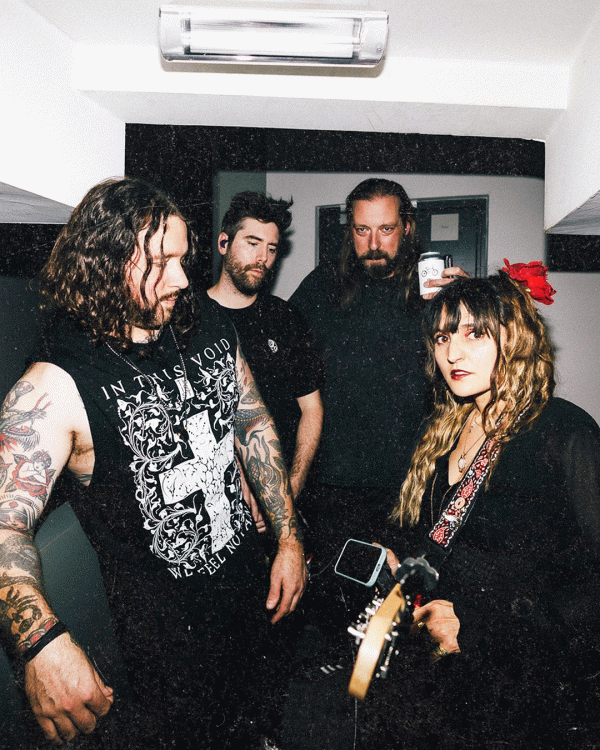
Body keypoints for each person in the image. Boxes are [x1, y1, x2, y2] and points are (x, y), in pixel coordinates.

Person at [0, 177, 305, 749]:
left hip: (249, 590)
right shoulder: (55, 385)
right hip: (165, 650)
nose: (182, 279)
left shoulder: (206, 320)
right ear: (105, 262)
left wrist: (288, 538)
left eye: (182, 259)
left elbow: (252, 421)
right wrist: (41, 643)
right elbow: (3, 524)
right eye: (160, 262)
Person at [363, 266, 600, 749]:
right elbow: (445, 535)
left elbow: (588, 590)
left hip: (517, 686)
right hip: (436, 672)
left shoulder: (563, 432)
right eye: (442, 337)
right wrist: (398, 559)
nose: (453, 353)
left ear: (513, 338)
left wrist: (474, 628)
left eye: (475, 333)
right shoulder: (442, 428)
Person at [288, 178, 466, 670]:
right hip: (336, 478)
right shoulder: (322, 285)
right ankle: (342, 677)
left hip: (411, 478)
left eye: (386, 229)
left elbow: (479, 350)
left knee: (405, 602)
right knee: (341, 596)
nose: (373, 243)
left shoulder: (433, 288)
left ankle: (396, 680)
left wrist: (467, 298)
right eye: (362, 230)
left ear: (407, 227)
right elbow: (280, 353)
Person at [207, 191, 323, 533]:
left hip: (283, 503)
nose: (263, 258)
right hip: (216, 505)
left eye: (272, 249)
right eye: (253, 243)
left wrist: (289, 491)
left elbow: (312, 410)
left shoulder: (285, 318)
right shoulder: (191, 320)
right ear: (224, 243)